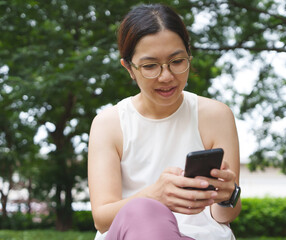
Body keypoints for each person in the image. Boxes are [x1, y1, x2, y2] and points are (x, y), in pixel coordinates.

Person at [88, 3, 241, 240]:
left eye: (177, 62)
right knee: (143, 210)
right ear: (129, 68)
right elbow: (102, 218)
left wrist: (227, 196)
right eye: (150, 66)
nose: (167, 76)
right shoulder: (109, 123)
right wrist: (154, 197)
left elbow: (223, 217)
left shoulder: (216, 115)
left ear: (189, 56)